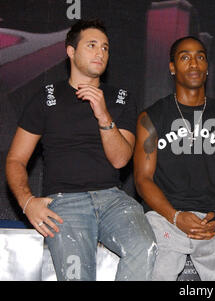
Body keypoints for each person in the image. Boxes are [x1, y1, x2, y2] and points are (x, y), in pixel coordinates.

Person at [5, 19, 157, 281]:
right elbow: (15, 160)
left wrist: (103, 115)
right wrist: (27, 202)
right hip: (65, 202)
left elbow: (121, 160)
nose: (101, 53)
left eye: (106, 48)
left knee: (144, 247)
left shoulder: (120, 97)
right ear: (71, 52)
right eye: (92, 45)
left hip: (112, 199)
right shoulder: (46, 97)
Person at [133, 36, 215, 281]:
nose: (194, 64)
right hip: (164, 215)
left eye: (200, 57)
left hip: (211, 217)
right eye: (184, 57)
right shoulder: (150, 117)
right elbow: (142, 179)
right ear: (172, 67)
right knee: (158, 270)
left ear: (207, 67)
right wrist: (175, 216)